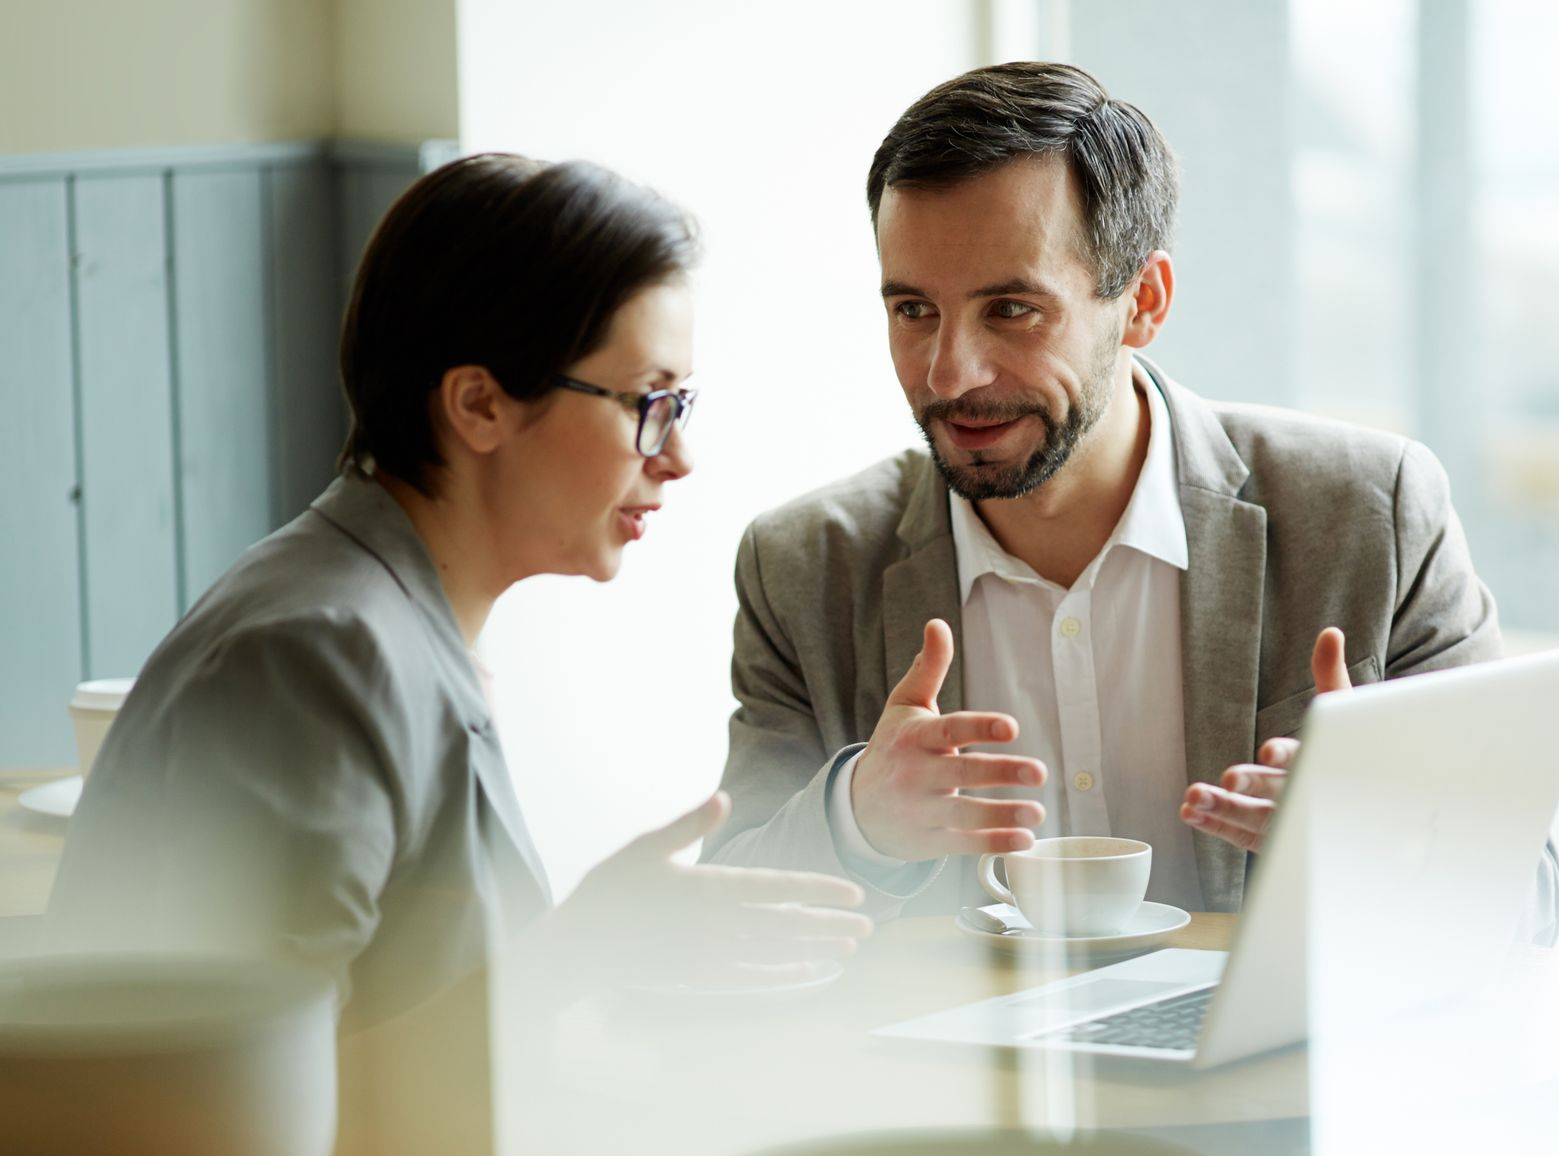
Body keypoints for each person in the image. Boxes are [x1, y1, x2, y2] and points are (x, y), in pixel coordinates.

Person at [702, 62, 1548, 923]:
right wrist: (857, 819)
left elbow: (1537, 888)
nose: (949, 373)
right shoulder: (803, 565)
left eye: (1011, 310)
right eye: (913, 310)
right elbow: (724, 907)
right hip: (956, 1061)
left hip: (1280, 1056)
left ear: (1142, 301)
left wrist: (1389, 834)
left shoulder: (1372, 513)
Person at [46, 153, 871, 1027]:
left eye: (682, 404)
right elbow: (269, 1098)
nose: (676, 456)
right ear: (478, 405)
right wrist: (583, 950)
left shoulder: (387, 615)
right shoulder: (315, 654)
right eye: (647, 402)